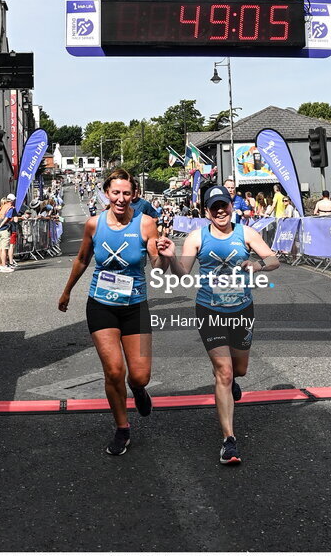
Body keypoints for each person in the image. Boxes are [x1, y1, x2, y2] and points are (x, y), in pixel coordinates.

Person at [159, 185, 280, 465]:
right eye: (214, 207)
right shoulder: (196, 237)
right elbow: (182, 273)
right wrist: (170, 257)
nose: (221, 211)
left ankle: (233, 381)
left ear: (231, 206)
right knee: (223, 372)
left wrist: (258, 266)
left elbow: (274, 259)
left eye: (224, 205)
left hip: (241, 309)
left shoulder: (246, 233)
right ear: (206, 211)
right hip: (209, 310)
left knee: (239, 370)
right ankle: (229, 440)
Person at [58, 168, 166, 456]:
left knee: (139, 376)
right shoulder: (94, 224)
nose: (121, 198)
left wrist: (163, 254)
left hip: (135, 306)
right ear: (106, 193)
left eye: (126, 193)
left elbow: (157, 265)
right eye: (115, 192)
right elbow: (82, 259)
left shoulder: (146, 224)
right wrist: (67, 291)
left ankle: (140, 391)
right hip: (101, 304)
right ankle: (122, 428)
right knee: (114, 371)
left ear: (135, 195)